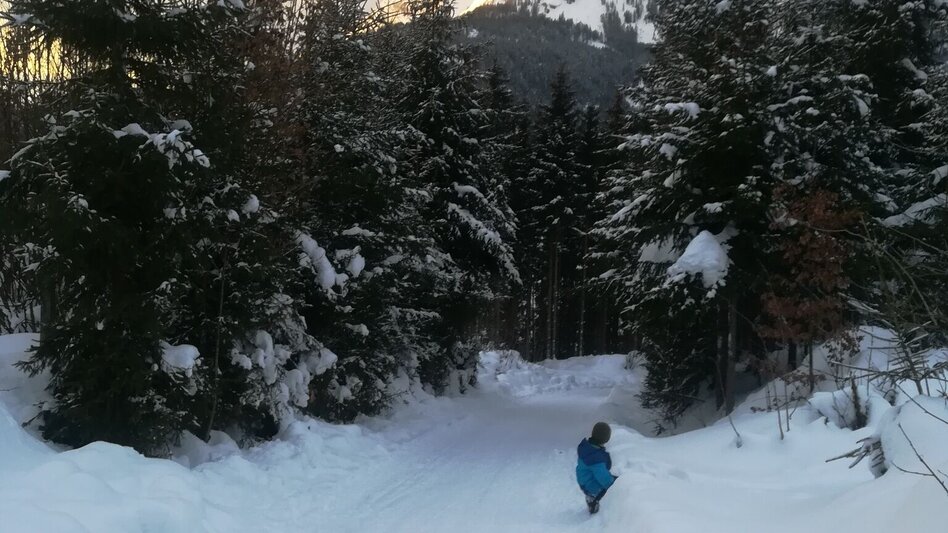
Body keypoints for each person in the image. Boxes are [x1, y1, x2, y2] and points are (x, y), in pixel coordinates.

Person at [575, 421, 618, 514]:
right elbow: (604, 478)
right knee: (614, 485)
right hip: (591, 484)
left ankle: (592, 496)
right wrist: (615, 486)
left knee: (615, 480)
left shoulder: (588, 448)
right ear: (606, 438)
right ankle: (594, 500)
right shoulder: (595, 458)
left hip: (585, 479)